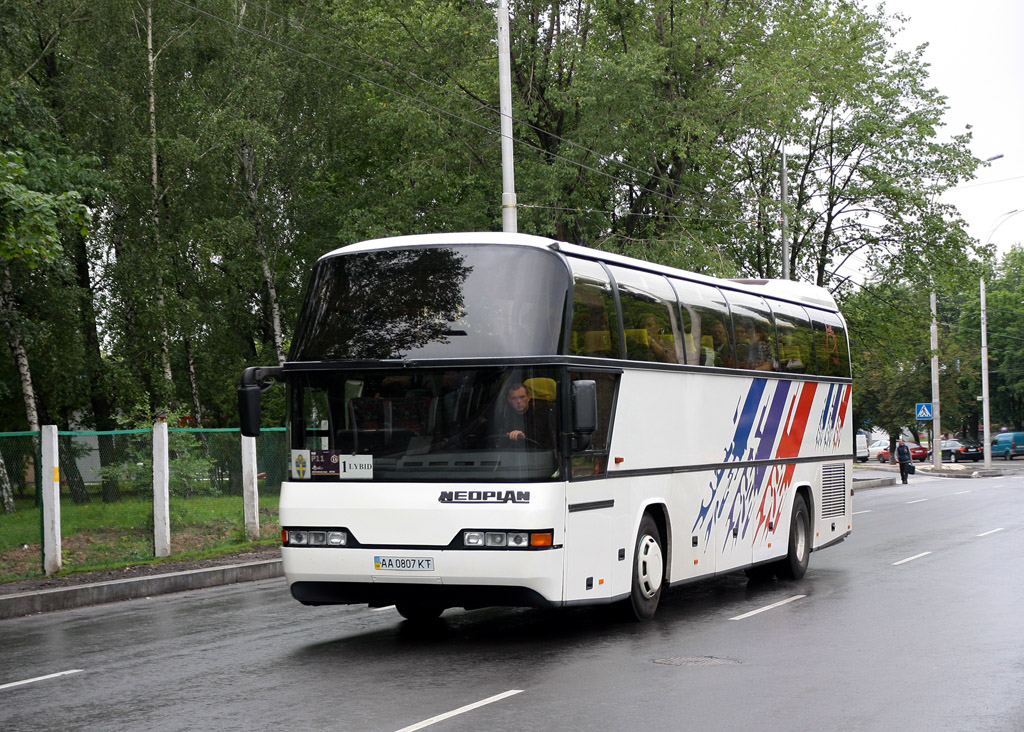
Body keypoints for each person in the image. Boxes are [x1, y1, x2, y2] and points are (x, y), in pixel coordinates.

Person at [494, 382, 555, 449]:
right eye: (514, 398)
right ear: (509, 400)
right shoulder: (504, 416)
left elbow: (546, 442)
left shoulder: (541, 414)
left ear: (529, 397)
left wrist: (523, 438)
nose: (518, 401)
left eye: (522, 397)